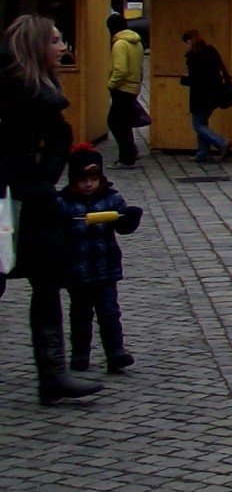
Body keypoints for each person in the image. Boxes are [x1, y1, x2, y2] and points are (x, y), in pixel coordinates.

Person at [0, 14, 100, 403]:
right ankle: (53, 376)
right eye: (56, 41)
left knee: (46, 282)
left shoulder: (34, 89)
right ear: (36, 46)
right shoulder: (18, 92)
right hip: (13, 200)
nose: (63, 47)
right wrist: (38, 178)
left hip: (29, 197)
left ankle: (53, 374)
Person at [62, 146, 142, 376]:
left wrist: (130, 218)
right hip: (77, 271)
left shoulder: (111, 199)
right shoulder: (65, 202)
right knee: (80, 314)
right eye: (83, 180)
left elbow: (123, 226)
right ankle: (80, 353)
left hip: (106, 268)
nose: (88, 184)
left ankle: (115, 351)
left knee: (109, 312)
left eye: (93, 179)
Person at [180, 29, 232, 164]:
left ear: (189, 41)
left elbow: (196, 78)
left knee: (198, 124)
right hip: (214, 93)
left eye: (185, 44)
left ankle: (222, 142)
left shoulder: (194, 56)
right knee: (202, 121)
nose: (185, 47)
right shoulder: (210, 51)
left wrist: (184, 79)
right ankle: (203, 153)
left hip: (200, 95)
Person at [105, 13, 144, 168]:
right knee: (124, 122)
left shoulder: (120, 44)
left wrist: (111, 84)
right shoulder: (137, 43)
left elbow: (121, 70)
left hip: (122, 88)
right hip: (133, 87)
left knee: (115, 122)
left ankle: (127, 158)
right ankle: (131, 152)